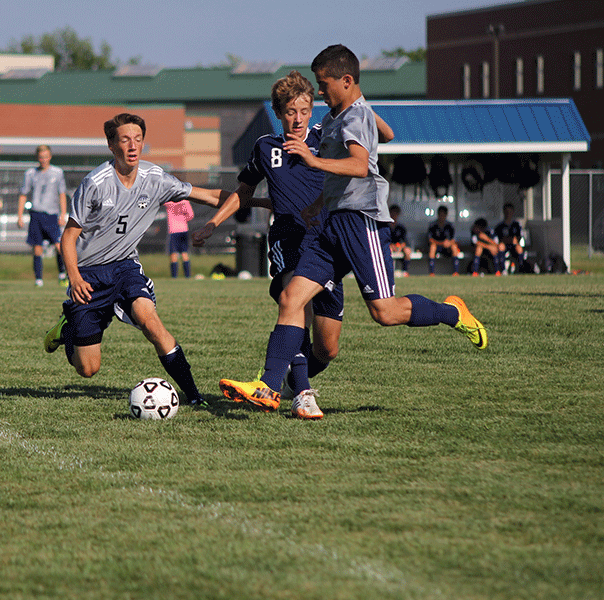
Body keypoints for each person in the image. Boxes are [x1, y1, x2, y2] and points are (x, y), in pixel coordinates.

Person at [218, 44, 488, 415]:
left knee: (385, 312)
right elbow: (388, 135)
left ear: (346, 81)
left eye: (324, 84)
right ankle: (267, 387)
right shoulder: (340, 115)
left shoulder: (353, 116)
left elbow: (360, 166)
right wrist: (317, 204)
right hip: (330, 224)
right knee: (291, 299)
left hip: (361, 223)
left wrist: (315, 156)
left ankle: (452, 312)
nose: (321, 91)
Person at [193, 70, 394, 419]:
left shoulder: (328, 137)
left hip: (327, 241)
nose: (297, 119)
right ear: (278, 112)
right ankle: (302, 394)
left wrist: (356, 102)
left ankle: (289, 380)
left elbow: (384, 136)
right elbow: (243, 193)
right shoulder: (265, 148)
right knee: (293, 303)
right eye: (289, 112)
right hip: (287, 239)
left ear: (312, 109)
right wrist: (212, 224)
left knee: (327, 349)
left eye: (303, 110)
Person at [43, 113, 227, 406]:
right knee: (88, 369)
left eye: (138, 139)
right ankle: (69, 329)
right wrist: (75, 278)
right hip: (89, 274)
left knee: (150, 321)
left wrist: (257, 200)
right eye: (125, 139)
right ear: (111, 145)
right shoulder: (95, 183)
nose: (133, 145)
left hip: (126, 267)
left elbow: (208, 195)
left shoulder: (155, 178)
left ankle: (193, 396)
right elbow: (68, 238)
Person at [17, 145, 68, 287]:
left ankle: (62, 274)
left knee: (59, 246)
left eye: (46, 157)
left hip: (52, 215)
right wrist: (20, 216)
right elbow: (23, 194)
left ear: (50, 157)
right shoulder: (30, 174)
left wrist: (63, 214)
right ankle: (38, 280)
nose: (43, 160)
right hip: (36, 215)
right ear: (37, 158)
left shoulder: (57, 173)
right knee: (37, 248)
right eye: (41, 157)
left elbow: (62, 194)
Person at [427, 205, 461, 276]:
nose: (441, 216)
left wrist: (449, 243)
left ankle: (456, 272)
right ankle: (432, 273)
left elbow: (454, 239)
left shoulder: (450, 226)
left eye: (443, 214)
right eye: (440, 214)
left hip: (447, 248)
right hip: (437, 247)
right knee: (432, 247)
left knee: (454, 247)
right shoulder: (433, 225)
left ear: (446, 215)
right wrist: (442, 243)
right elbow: (430, 240)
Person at [166, 199, 194, 278]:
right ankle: (187, 276)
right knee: (184, 253)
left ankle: (174, 276)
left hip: (173, 230)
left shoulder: (169, 202)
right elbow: (190, 215)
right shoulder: (185, 202)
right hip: (183, 229)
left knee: (173, 254)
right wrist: (183, 218)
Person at [494, 202, 524, 273]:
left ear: (513, 212)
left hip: (514, 245)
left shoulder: (516, 225)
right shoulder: (500, 226)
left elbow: (519, 237)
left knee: (519, 248)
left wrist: (515, 241)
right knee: (501, 246)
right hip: (505, 246)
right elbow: (499, 239)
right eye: (506, 212)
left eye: (510, 212)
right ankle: (503, 270)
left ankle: (521, 269)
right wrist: (509, 240)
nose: (508, 214)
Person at [388, 204, 412, 277]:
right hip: (390, 247)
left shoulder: (401, 227)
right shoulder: (385, 226)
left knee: (407, 251)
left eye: (395, 213)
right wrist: (391, 245)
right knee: (388, 249)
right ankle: (388, 271)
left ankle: (405, 271)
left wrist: (401, 246)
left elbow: (404, 241)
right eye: (392, 213)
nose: (394, 215)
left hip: (399, 247)